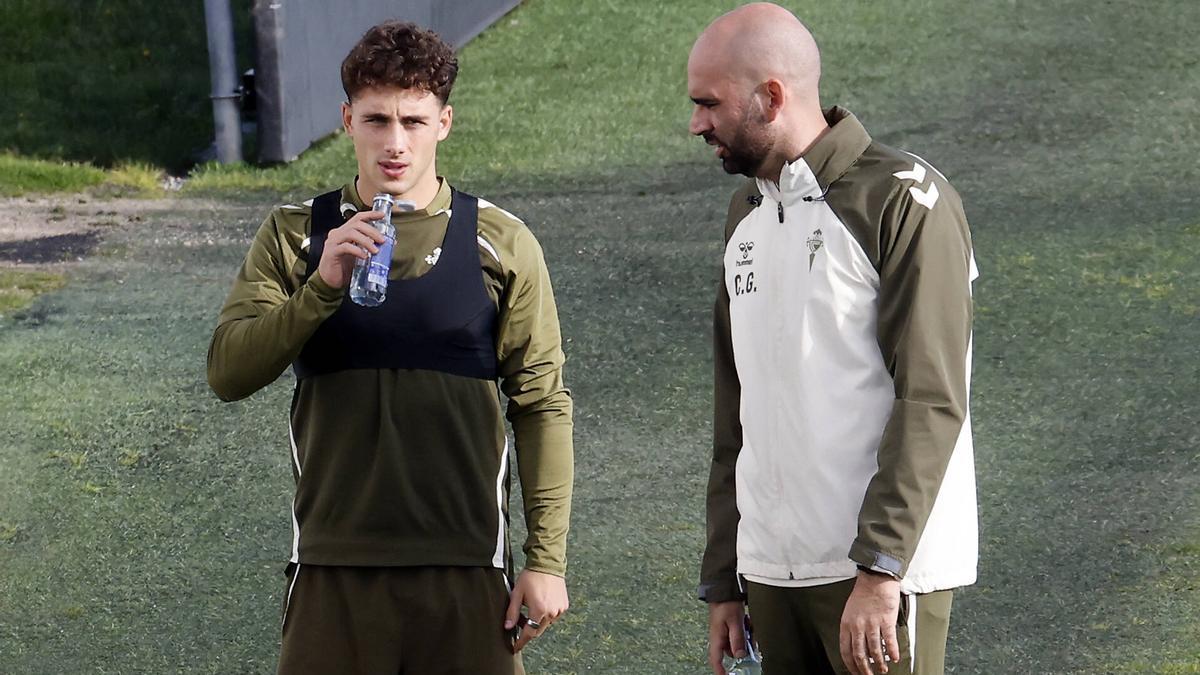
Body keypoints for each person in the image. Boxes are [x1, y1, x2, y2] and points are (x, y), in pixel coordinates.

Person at [206, 20, 573, 675]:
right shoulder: (295, 236)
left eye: (413, 119)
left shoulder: (500, 241)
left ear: (445, 122)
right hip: (332, 569)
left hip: (467, 569)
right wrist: (322, 287)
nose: (395, 142)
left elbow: (541, 403)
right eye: (377, 119)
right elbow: (229, 370)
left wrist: (546, 558)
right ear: (347, 119)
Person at [688, 4, 979, 675]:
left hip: (879, 579)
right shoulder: (746, 214)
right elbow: (737, 409)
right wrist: (727, 575)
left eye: (710, 103)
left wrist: (881, 568)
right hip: (770, 574)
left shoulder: (904, 200)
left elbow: (930, 398)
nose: (697, 123)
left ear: (771, 97)